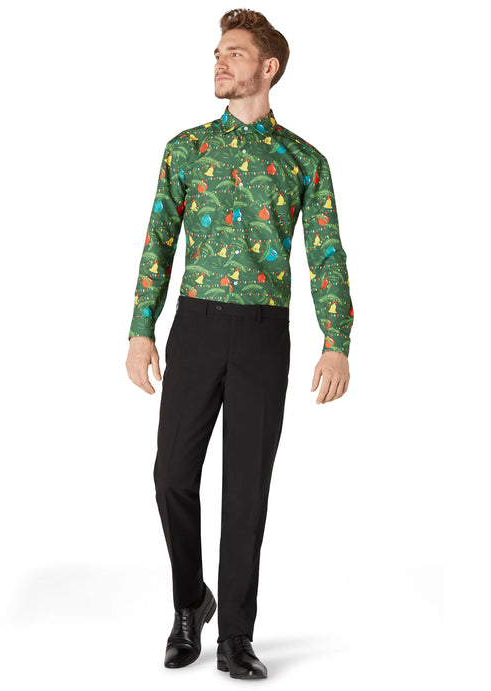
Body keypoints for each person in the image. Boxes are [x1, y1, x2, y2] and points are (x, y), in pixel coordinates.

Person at [125, 8, 354, 680]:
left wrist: (336, 339)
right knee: (172, 475)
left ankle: (236, 637)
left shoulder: (303, 160)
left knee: (245, 491)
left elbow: (326, 254)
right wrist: (140, 327)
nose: (219, 63)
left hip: (262, 333)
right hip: (195, 324)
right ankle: (190, 601)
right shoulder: (186, 149)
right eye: (217, 53)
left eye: (234, 53)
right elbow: (157, 241)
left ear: (268, 67)